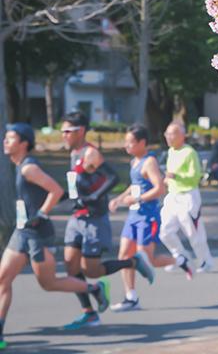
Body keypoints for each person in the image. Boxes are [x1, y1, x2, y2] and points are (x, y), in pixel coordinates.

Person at [0, 123, 110, 350]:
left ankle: (94, 288)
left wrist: (41, 213)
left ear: (24, 144)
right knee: (2, 280)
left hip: (38, 234)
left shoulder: (28, 168)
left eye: (10, 139)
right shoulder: (17, 164)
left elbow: (56, 191)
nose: (5, 142)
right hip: (21, 232)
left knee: (49, 284)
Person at [61, 111, 154, 330]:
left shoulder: (90, 153)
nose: (63, 135)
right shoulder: (73, 152)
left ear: (80, 131)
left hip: (94, 219)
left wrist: (93, 197)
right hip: (77, 216)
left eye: (67, 131)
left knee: (92, 270)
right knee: (70, 265)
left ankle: (134, 262)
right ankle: (89, 313)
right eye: (62, 131)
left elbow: (113, 178)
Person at [108, 124, 189, 311]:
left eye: (130, 142)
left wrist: (136, 198)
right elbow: (134, 184)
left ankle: (180, 260)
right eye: (126, 142)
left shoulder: (149, 162)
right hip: (133, 215)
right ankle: (131, 297)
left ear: (142, 143)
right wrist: (119, 199)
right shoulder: (134, 162)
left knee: (147, 259)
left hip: (148, 216)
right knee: (124, 255)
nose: (126, 146)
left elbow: (159, 188)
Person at [160, 122, 215, 275]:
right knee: (164, 231)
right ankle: (181, 257)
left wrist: (176, 176)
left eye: (172, 134)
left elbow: (195, 177)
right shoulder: (171, 151)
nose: (169, 137)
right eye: (167, 134)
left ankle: (206, 261)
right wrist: (167, 180)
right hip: (172, 196)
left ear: (182, 136)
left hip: (188, 196)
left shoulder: (189, 152)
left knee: (193, 232)